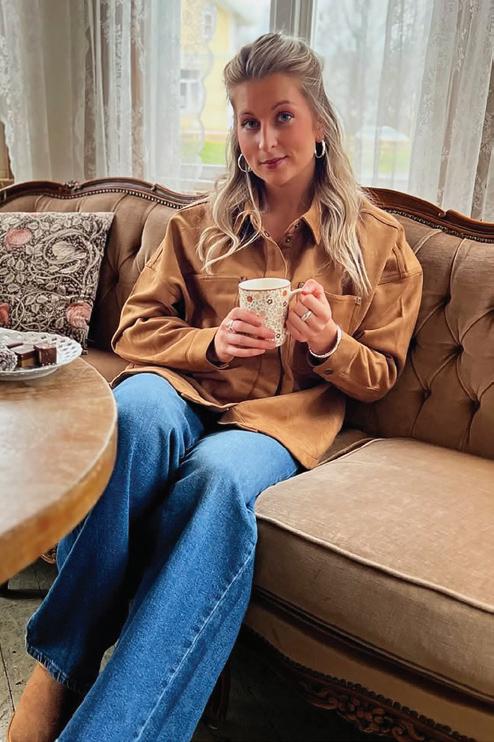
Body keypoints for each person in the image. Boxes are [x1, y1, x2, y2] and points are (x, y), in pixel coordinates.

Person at [8, 31, 422, 742]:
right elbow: (137, 330)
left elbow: (380, 374)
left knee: (216, 483)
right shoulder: (199, 225)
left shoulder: (379, 245)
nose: (266, 140)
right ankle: (61, 663)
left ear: (320, 123)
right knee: (130, 414)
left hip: (278, 422)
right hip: (184, 390)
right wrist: (211, 343)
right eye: (249, 121)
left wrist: (329, 343)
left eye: (283, 116)